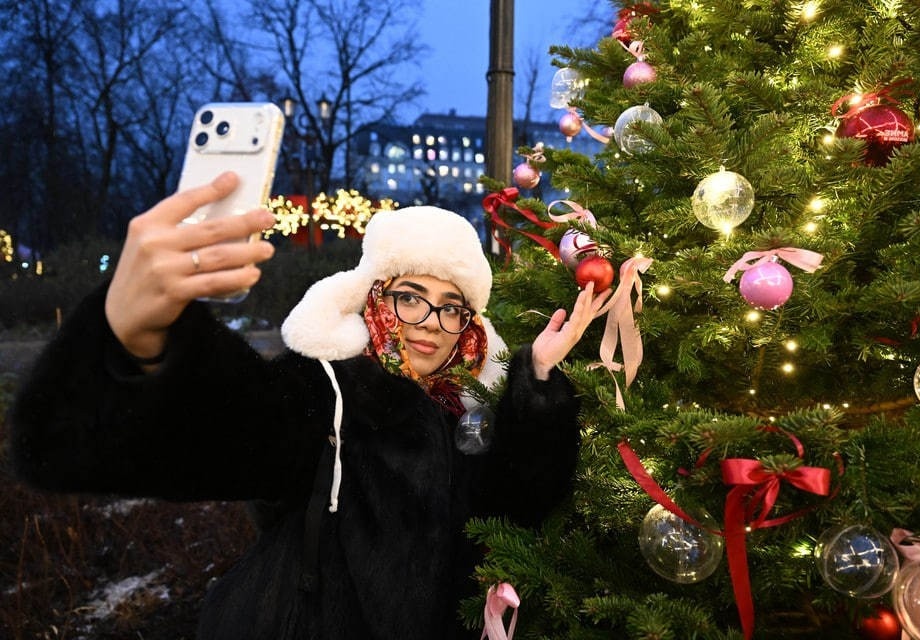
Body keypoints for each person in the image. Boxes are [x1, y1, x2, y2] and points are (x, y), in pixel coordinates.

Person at [9, 171, 611, 639]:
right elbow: (220, 426)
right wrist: (136, 338)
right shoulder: (326, 391)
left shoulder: (467, 412)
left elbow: (519, 502)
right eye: (411, 297)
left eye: (451, 306)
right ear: (375, 301)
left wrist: (536, 378)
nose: (430, 322)